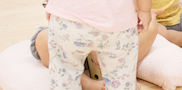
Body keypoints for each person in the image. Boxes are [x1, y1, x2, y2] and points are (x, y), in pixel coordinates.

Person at [30, 9, 163, 90]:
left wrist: (145, 12)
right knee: (43, 38)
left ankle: (121, 74)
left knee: (151, 26)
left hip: (113, 42)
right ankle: (85, 82)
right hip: (71, 39)